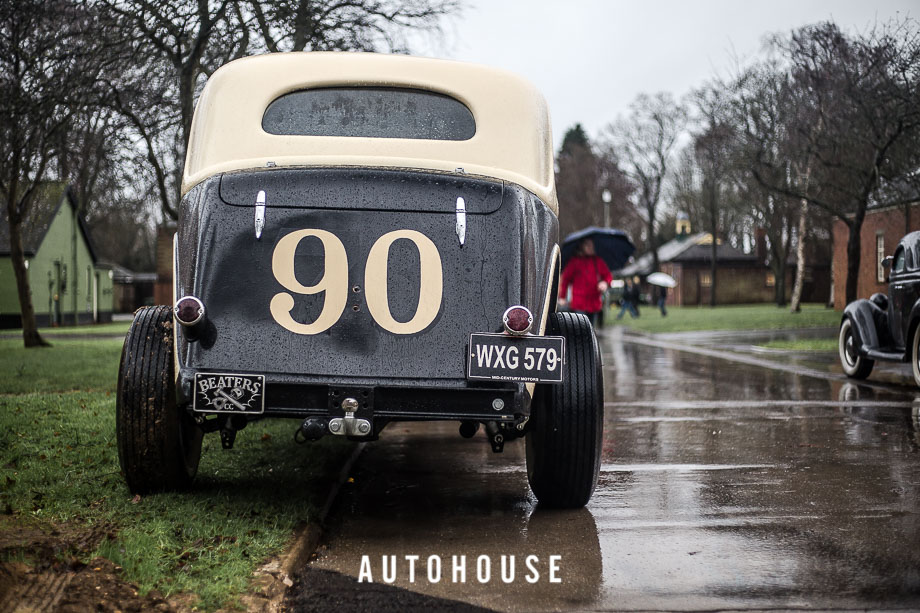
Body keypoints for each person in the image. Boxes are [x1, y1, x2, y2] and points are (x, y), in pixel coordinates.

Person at [558, 238, 612, 328]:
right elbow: (565, 280)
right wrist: (562, 297)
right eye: (587, 245)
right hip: (579, 304)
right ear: (581, 246)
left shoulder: (598, 261)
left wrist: (605, 283)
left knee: (591, 330)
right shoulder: (574, 262)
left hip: (594, 303)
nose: (590, 247)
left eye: (591, 245)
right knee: (581, 330)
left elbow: (608, 276)